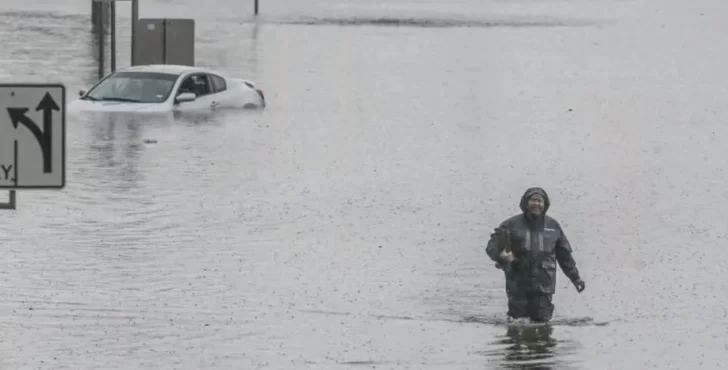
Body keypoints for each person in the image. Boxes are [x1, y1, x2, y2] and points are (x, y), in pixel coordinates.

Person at [485, 187, 585, 323]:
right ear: (526, 203)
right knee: (517, 323)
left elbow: (564, 256)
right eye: (533, 200)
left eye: (540, 201)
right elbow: (492, 247)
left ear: (545, 205)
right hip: (518, 284)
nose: (536, 204)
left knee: (542, 323)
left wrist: (575, 278)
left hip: (544, 285)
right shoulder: (510, 224)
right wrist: (501, 256)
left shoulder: (553, 226)